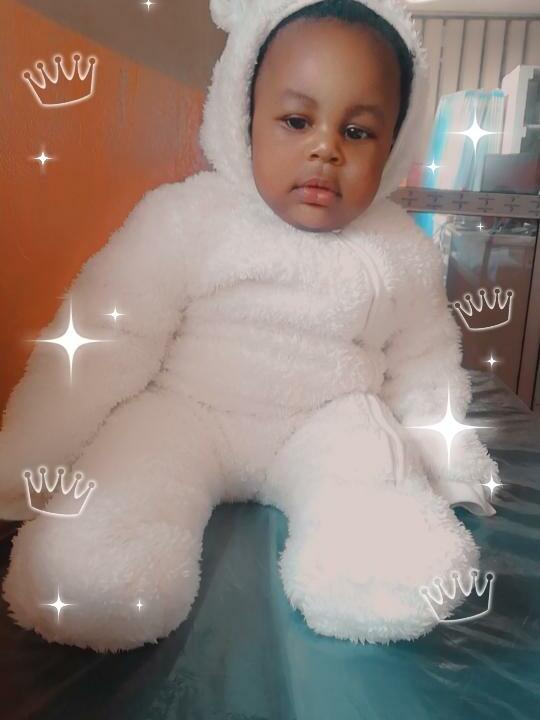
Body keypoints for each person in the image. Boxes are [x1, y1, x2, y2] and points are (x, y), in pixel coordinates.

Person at [0, 0, 500, 653]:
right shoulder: (189, 218)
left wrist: (451, 461)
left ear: (395, 143)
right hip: (187, 410)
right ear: (244, 114)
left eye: (357, 132)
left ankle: (377, 571)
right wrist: (30, 456)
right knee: (131, 468)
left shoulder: (400, 249)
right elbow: (106, 336)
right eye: (297, 121)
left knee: (370, 466)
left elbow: (425, 363)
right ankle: (97, 571)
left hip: (328, 419)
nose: (325, 148)